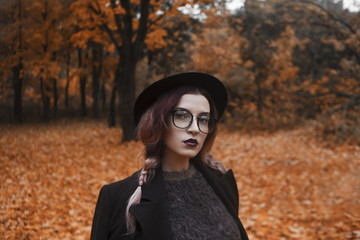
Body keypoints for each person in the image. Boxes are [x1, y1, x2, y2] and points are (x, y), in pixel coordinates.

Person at [90, 72, 249, 240]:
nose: (195, 128)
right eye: (181, 116)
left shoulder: (221, 182)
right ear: (158, 122)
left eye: (203, 119)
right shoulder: (117, 198)